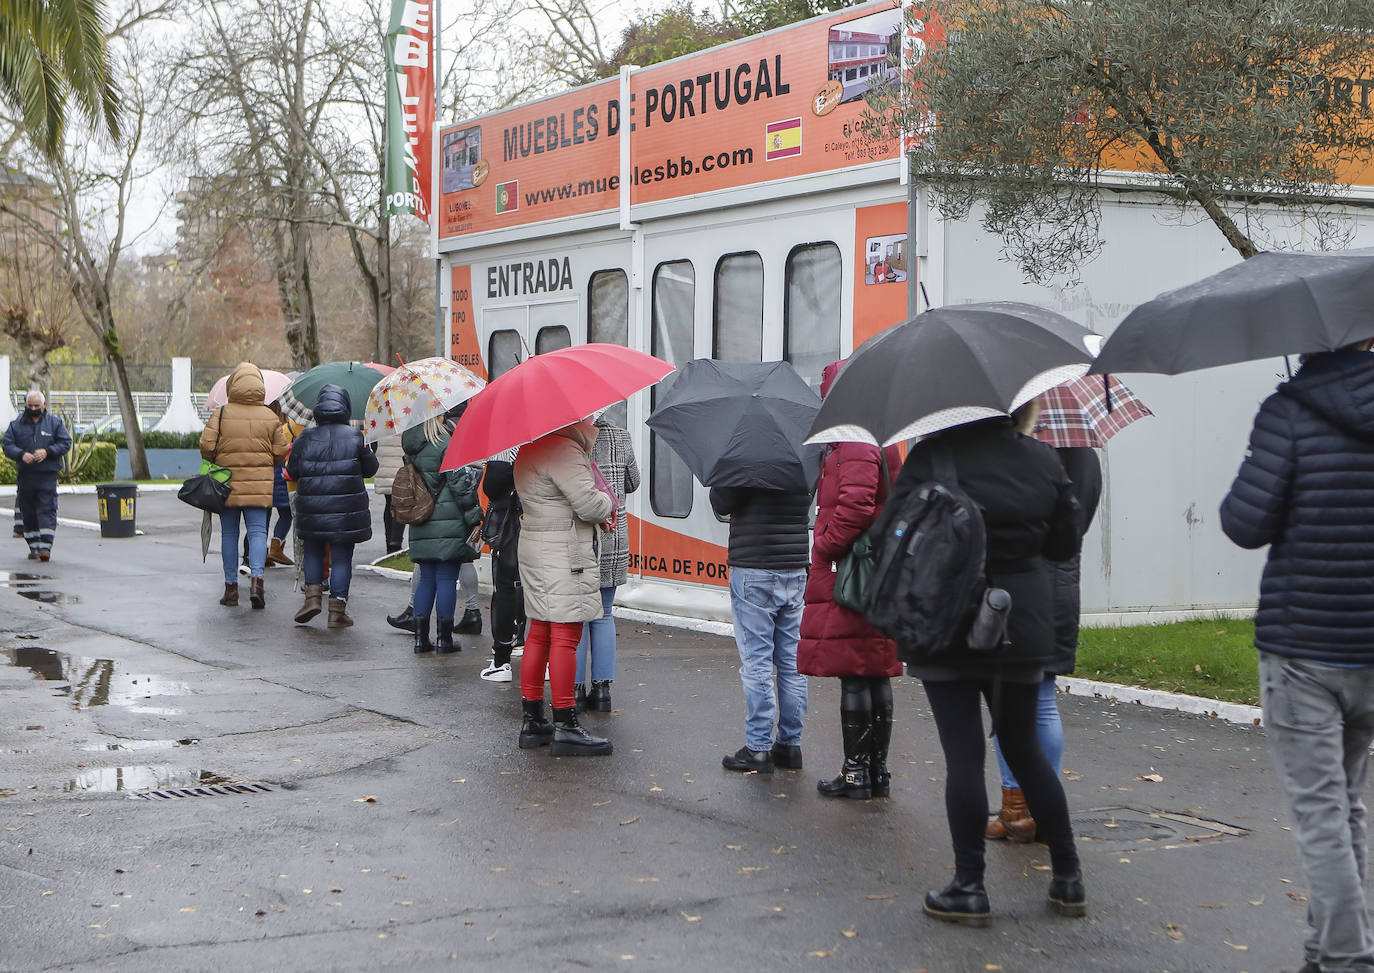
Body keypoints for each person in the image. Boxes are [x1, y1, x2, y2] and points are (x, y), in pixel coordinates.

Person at [1220, 340, 1374, 973]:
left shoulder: (1286, 412)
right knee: (1348, 803)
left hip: (1303, 647)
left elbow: (1244, 523)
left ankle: (1346, 957)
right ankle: (1323, 947)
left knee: (1321, 811)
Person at [901, 402, 1084, 926]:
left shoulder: (932, 457)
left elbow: (894, 531)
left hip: (946, 623)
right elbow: (1064, 541)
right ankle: (1068, 879)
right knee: (1024, 749)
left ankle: (969, 887)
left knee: (963, 759)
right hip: (1020, 621)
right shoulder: (1044, 461)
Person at [986, 444, 1103, 840]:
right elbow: (1079, 519)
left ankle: (1020, 806)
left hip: (1026, 581)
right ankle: (1031, 807)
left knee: (1018, 698)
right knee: (1038, 696)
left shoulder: (1024, 449)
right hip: (1060, 581)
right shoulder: (1083, 453)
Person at [798, 360, 901, 799]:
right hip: (874, 570)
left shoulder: (855, 437)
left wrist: (824, 546)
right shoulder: (873, 432)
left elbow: (856, 506)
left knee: (857, 672)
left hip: (855, 573)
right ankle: (876, 773)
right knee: (873, 671)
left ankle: (857, 774)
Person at [514, 418, 615, 756]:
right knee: (566, 636)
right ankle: (566, 724)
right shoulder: (563, 448)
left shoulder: (529, 446)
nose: (593, 422)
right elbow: (588, 504)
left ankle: (532, 721)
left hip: (534, 546)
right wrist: (606, 501)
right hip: (563, 553)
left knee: (539, 631)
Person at [711, 480, 813, 775]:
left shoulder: (745, 456)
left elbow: (722, 502)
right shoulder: (802, 451)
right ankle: (790, 746)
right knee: (792, 664)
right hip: (794, 567)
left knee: (757, 663)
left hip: (754, 566)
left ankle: (758, 748)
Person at [286, 385, 378, 628]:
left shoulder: (305, 436)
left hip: (311, 506)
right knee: (341, 558)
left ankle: (312, 598)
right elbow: (370, 470)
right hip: (345, 509)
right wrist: (371, 449)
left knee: (313, 550)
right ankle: (337, 610)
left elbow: (292, 470)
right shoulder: (356, 436)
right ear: (345, 407)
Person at [200, 363, 288, 608]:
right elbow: (280, 452)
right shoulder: (270, 417)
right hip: (259, 487)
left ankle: (230, 590)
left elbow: (206, 448)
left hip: (226, 485)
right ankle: (257, 583)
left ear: (232, 385)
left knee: (229, 534)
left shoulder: (220, 414)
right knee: (259, 532)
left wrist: (220, 455)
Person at [401, 412, 483, 654]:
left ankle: (420, 639)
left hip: (421, 519)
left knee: (427, 579)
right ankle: (444, 639)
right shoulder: (445, 444)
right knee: (446, 579)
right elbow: (460, 485)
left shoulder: (410, 445)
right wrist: (475, 517)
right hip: (448, 522)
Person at [574, 413, 640, 712]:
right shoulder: (621, 436)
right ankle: (602, 692)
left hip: (581, 537)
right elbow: (633, 482)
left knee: (577, 617)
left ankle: (575, 689)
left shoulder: (567, 437)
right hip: (614, 535)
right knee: (604, 613)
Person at [3, 391, 70, 561]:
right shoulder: (16, 425)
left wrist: (48, 451)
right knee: (29, 512)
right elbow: (7, 445)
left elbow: (65, 442)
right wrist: (21, 454)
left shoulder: (55, 423)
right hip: (26, 476)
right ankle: (34, 546)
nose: (33, 409)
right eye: (30, 406)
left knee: (47, 510)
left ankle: (45, 548)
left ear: (44, 405)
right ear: (26, 405)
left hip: (47, 476)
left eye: (37, 406)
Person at [479, 447, 524, 683]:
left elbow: (492, 486)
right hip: (544, 526)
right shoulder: (552, 436)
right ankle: (543, 659)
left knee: (506, 588)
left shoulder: (504, 445)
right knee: (539, 589)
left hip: (510, 529)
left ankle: (501, 660)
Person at [373, 431, 406, 554]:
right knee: (400, 504)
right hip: (401, 464)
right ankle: (396, 542)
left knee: (389, 503)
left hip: (384, 464)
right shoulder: (406, 417)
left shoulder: (380, 419)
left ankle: (389, 541)